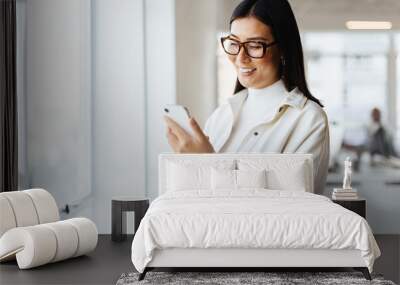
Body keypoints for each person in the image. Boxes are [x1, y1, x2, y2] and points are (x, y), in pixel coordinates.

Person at [164, 0, 330, 194]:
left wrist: (206, 161)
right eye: (234, 43)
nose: (241, 57)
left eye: (254, 45)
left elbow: (289, 204)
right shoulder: (223, 113)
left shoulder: (308, 119)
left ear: (283, 49)